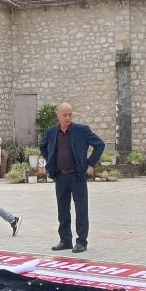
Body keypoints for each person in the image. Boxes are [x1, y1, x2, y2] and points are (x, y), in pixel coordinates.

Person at [39, 103, 104, 253]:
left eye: (70, 115)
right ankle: (65, 240)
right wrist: (50, 162)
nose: (68, 118)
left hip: (77, 175)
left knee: (81, 209)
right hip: (60, 176)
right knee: (62, 210)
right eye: (65, 115)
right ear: (58, 116)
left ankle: (81, 241)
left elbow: (99, 145)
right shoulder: (51, 132)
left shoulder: (82, 130)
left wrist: (90, 163)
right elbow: (42, 146)